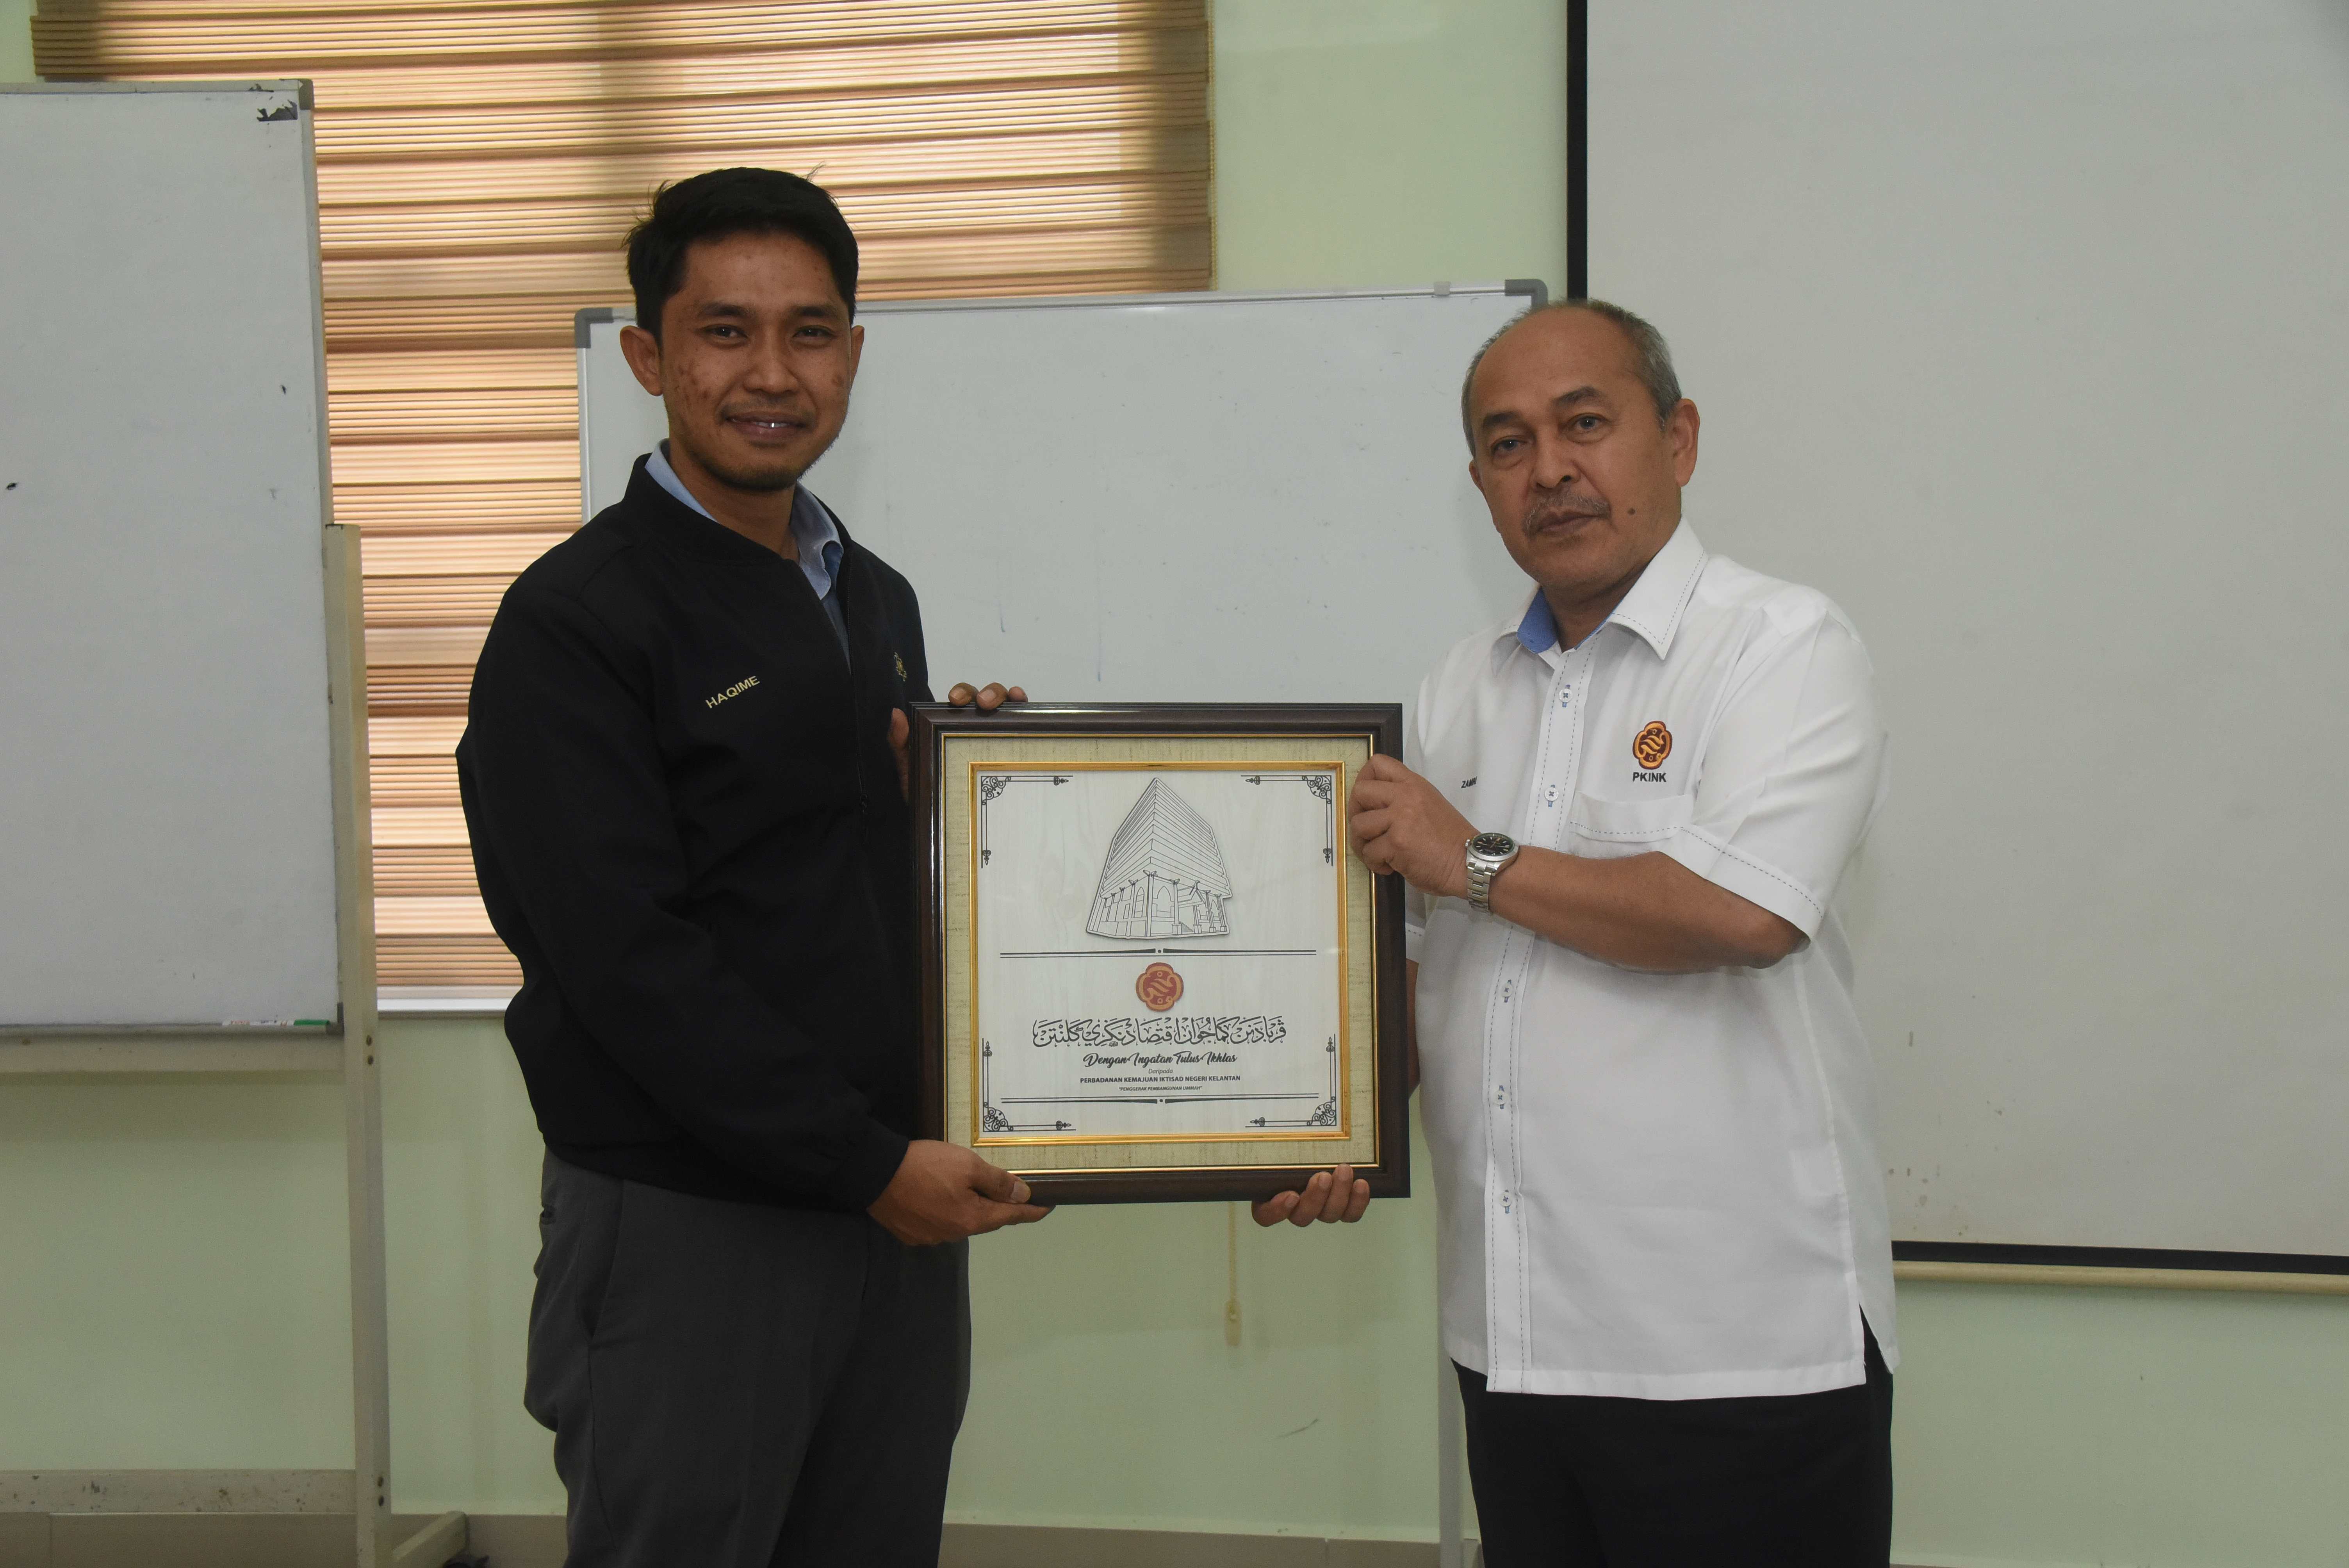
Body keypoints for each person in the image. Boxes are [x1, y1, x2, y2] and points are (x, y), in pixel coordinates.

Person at [457, 167, 1046, 1568]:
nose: (772, 374)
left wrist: (969, 797)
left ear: (854, 352)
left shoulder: (874, 597)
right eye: (725, 332)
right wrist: (862, 1163)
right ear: (648, 356)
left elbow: (824, 878)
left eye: (810, 332)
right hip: (692, 1225)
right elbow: (625, 958)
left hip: (890, 1214)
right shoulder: (575, 621)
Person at [1330, 300, 1897, 1564]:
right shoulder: (1458, 688)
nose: (1550, 470)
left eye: (1584, 424)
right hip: (1514, 1339)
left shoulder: (1782, 646)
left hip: (1737, 1354)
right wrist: (1321, 1129)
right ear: (1481, 484)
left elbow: (1745, 912)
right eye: (1509, 443)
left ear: (1678, 439)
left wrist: (1472, 860)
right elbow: (1410, 977)